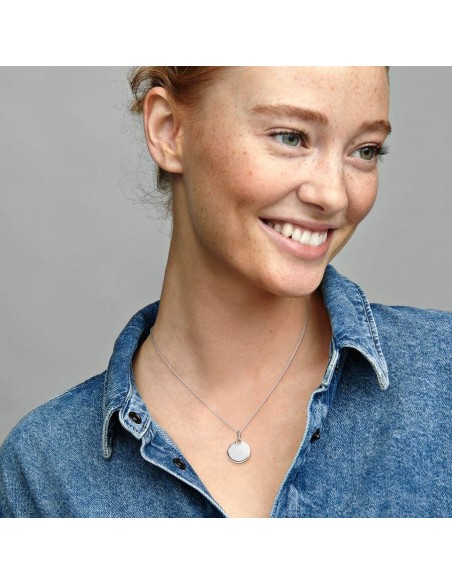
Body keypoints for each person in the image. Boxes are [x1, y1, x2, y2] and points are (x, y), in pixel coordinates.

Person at [0, 67, 450, 518]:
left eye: (365, 150)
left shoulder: (440, 377)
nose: (334, 195)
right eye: (291, 137)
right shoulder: (43, 471)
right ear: (169, 131)